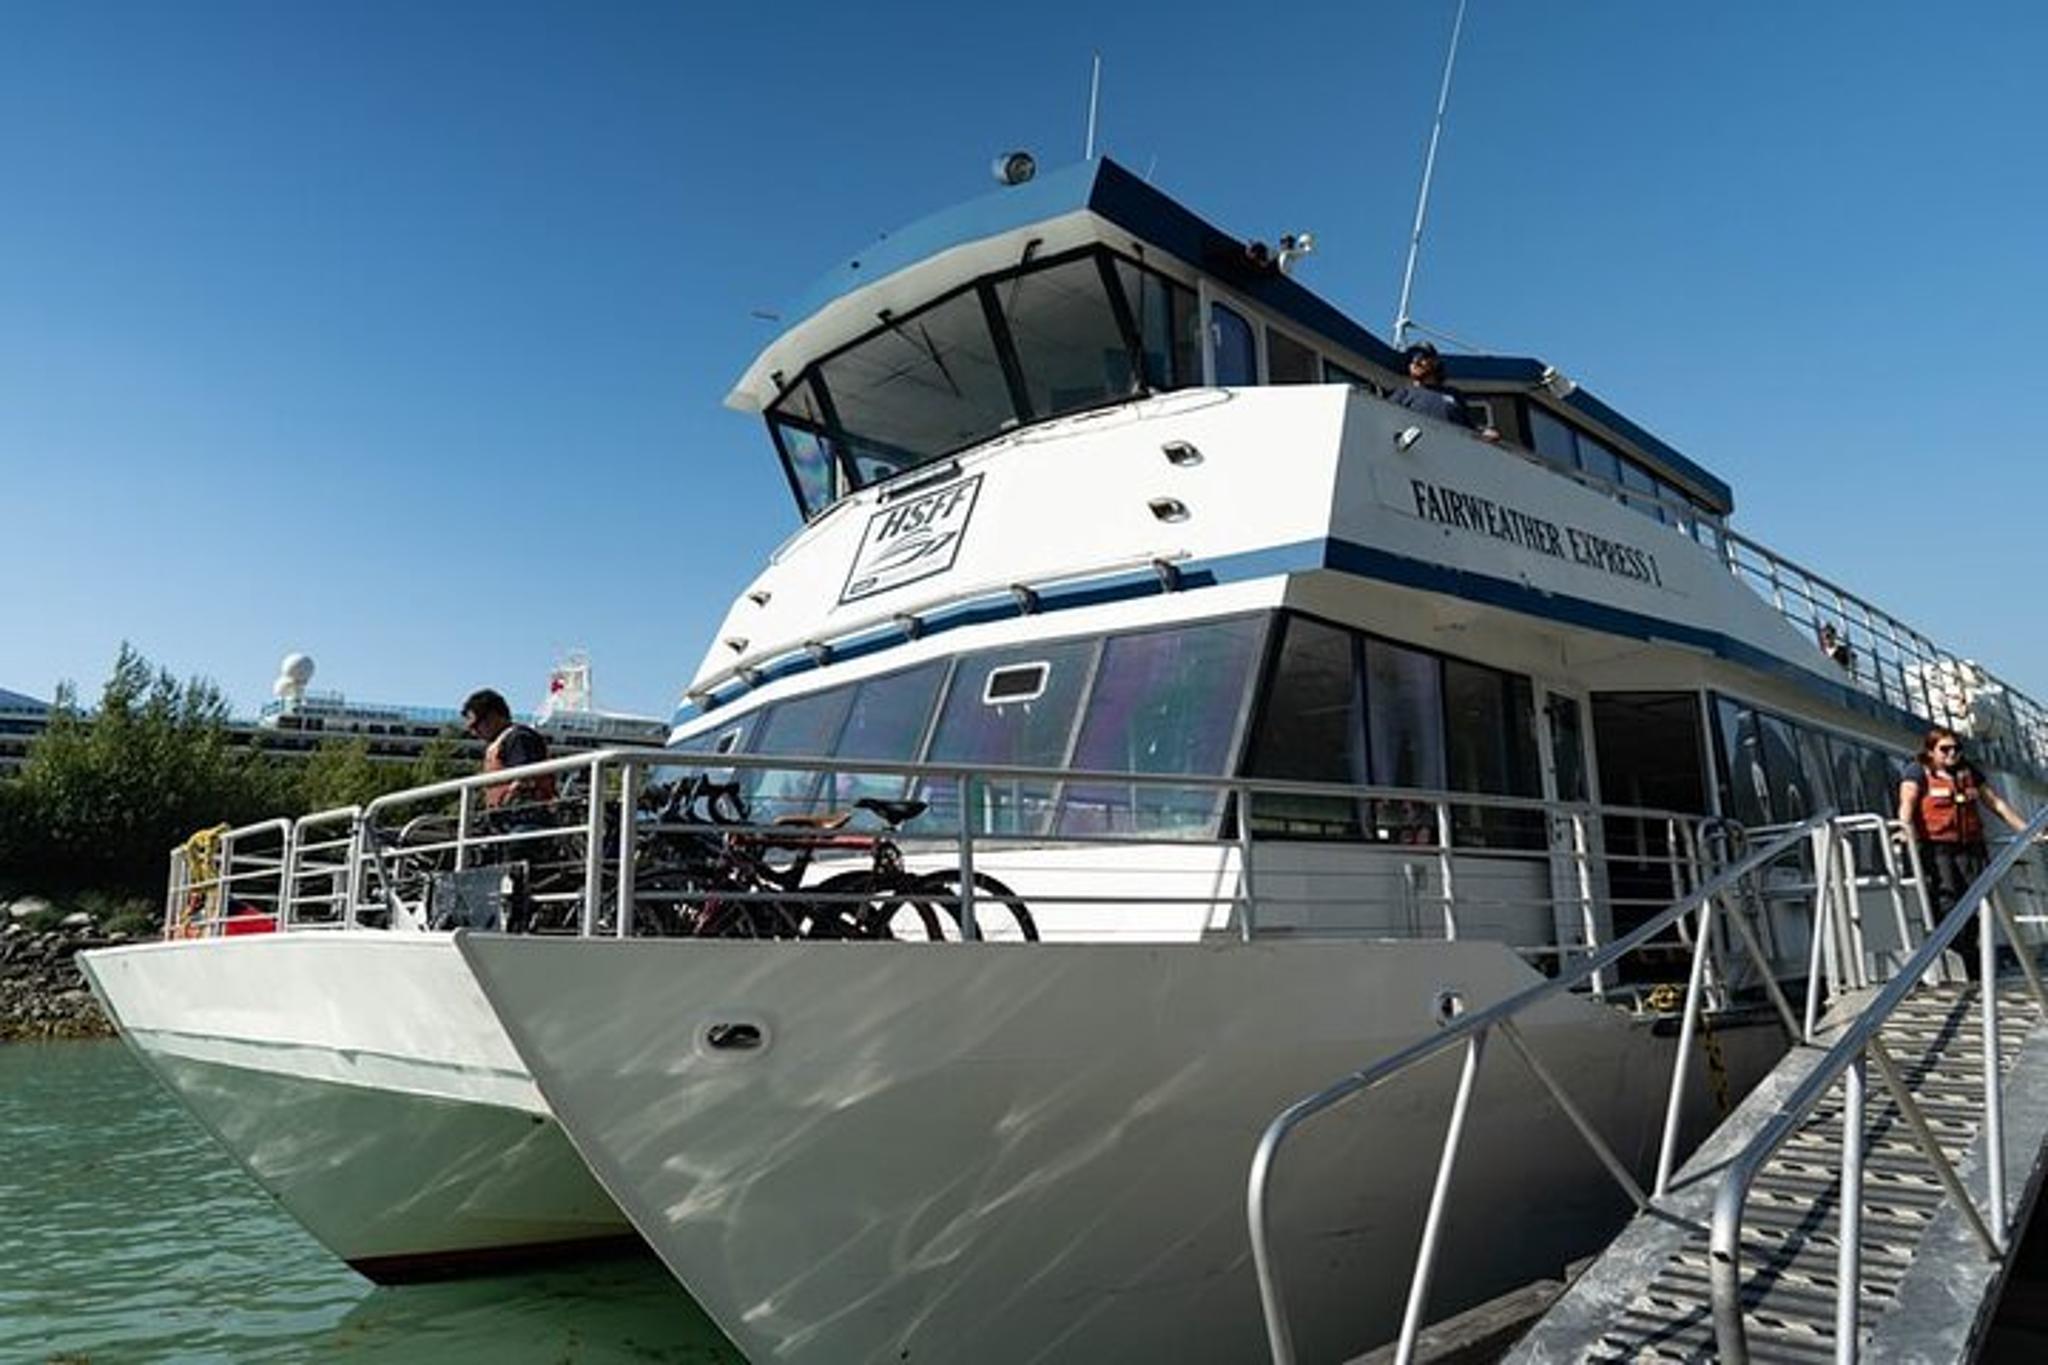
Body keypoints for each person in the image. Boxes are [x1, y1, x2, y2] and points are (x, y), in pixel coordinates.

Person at [1897, 727, 2029, 978]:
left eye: (1956, 748)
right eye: (1945, 749)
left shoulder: (1968, 772)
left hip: (1971, 847)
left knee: (1977, 901)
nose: (1952, 754)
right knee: (1946, 902)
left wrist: (2026, 830)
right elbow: (1907, 803)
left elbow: (1995, 803)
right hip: (1937, 848)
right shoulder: (1917, 772)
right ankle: (1954, 958)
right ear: (1930, 751)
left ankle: (1972, 962)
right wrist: (1904, 829)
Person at [461, 687, 558, 812]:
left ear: (492, 716)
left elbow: (525, 776)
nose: (474, 732)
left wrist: (507, 800)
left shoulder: (518, 737)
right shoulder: (502, 740)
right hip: (507, 820)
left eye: (475, 725)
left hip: (524, 819)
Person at [1386, 342, 1499, 441]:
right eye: (1411, 359)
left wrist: (1484, 433)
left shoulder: (1453, 394)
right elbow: (1387, 420)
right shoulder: (1403, 393)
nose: (1415, 362)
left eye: (1421, 356)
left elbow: (1468, 426)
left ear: (1435, 362)